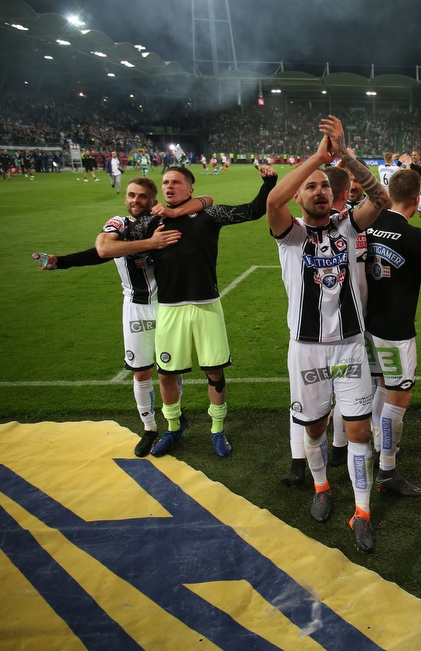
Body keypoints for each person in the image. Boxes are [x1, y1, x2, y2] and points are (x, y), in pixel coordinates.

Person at [266, 116, 389, 554]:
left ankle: (362, 511)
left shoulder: (347, 226)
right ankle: (321, 486)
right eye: (310, 186)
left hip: (351, 348)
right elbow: (273, 203)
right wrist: (318, 157)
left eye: (324, 185)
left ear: (333, 194)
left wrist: (346, 156)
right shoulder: (290, 236)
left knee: (358, 432)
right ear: (300, 195)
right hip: (306, 350)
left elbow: (382, 196)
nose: (318, 191)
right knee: (314, 429)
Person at [33, 178, 213, 455]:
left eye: (142, 196)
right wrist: (150, 244)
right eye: (131, 195)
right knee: (141, 371)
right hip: (136, 306)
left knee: (171, 368)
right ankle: (149, 428)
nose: (135, 200)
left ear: (152, 201)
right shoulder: (118, 223)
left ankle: (174, 419)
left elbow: (207, 200)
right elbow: (103, 250)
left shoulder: (161, 219)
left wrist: (173, 212)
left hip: (167, 305)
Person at [147, 163, 279, 459]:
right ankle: (173, 427)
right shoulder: (150, 221)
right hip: (169, 308)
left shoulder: (209, 214)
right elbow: (111, 246)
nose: (169, 186)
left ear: (189, 189)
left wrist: (268, 183)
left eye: (176, 182)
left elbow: (253, 210)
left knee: (214, 370)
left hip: (206, 304)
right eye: (166, 182)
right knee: (166, 374)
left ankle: (217, 430)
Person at [365, 168, 421, 497]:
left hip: (367, 327)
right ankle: (387, 469)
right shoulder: (412, 236)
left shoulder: (367, 224)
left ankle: (373, 446)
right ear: (416, 199)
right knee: (400, 396)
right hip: (397, 333)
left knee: (382, 385)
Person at [409, 150, 421, 233]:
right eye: (412, 155)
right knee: (407, 211)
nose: (413, 157)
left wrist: (409, 164)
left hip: (420, 192)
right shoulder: (410, 166)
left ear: (419, 156)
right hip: (410, 191)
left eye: (415, 155)